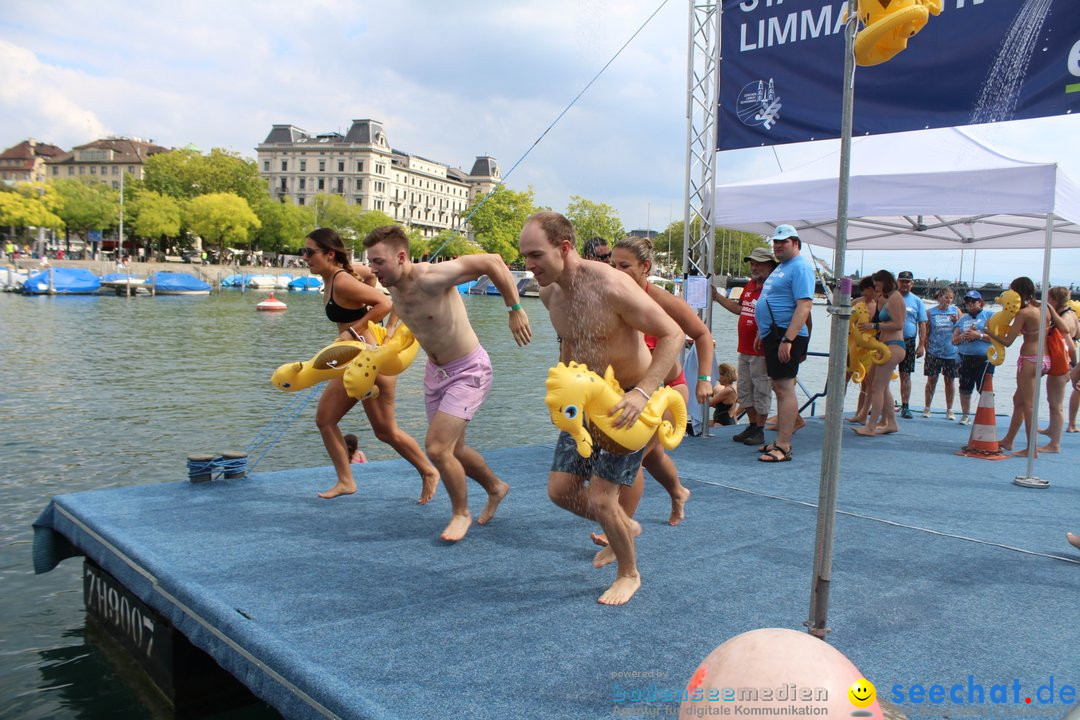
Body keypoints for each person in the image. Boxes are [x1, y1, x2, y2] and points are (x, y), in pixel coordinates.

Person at [519, 211, 681, 606]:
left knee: (602, 499)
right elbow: (570, 344)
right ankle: (624, 527)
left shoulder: (613, 285)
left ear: (565, 247)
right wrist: (563, 399)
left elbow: (672, 334)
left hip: (628, 404)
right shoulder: (549, 294)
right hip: (586, 400)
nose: (529, 265)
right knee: (560, 492)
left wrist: (642, 392)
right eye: (524, 256)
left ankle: (629, 573)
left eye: (536, 254)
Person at [363, 224, 532, 542]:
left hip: (469, 370)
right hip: (436, 374)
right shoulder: (393, 286)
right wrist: (383, 343)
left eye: (378, 262)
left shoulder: (431, 277)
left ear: (401, 257)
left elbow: (493, 261)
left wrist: (515, 309)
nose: (372, 269)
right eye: (370, 261)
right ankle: (496, 487)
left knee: (438, 448)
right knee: (455, 448)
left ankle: (460, 513)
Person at [301, 228, 439, 502]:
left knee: (385, 430)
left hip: (370, 360)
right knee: (329, 420)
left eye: (309, 252)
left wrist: (355, 329)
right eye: (302, 252)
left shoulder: (341, 282)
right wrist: (369, 285)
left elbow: (384, 302)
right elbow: (370, 276)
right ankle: (346, 480)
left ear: (330, 254)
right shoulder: (339, 276)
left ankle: (428, 471)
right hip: (353, 359)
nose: (304, 257)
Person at [607, 235, 709, 528]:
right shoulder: (611, 297)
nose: (615, 271)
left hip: (668, 391)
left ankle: (621, 528)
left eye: (624, 265)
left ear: (645, 267)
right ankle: (678, 492)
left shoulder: (663, 301)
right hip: (632, 391)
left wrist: (703, 378)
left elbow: (702, 335)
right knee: (652, 456)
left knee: (632, 455)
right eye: (612, 264)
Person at [753, 225, 813, 462]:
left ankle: (785, 445)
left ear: (796, 244)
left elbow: (804, 305)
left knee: (785, 388)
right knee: (779, 388)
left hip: (786, 335)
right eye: (776, 242)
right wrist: (763, 329)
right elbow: (771, 300)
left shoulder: (800, 267)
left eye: (784, 242)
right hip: (774, 334)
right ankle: (780, 439)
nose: (778, 246)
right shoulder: (783, 267)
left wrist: (788, 338)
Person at [713, 247, 777, 446]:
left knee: (761, 390)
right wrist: (717, 297)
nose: (754, 267)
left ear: (770, 266)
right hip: (745, 349)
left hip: (762, 352)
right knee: (745, 389)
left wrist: (765, 333)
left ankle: (760, 428)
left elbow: (781, 316)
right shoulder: (750, 285)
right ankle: (752, 425)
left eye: (758, 263)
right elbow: (740, 309)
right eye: (752, 263)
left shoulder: (774, 287)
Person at [983, 277, 1046, 457]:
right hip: (1044, 359)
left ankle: (1031, 448)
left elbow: (1008, 341)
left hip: (1029, 359)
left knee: (1028, 405)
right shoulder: (1042, 309)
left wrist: (988, 332)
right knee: (1018, 400)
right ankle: (1008, 440)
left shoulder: (1024, 313)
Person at [853, 270, 906, 437]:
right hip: (883, 346)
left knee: (877, 387)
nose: (875, 287)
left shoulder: (896, 297)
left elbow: (898, 324)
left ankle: (871, 426)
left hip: (894, 346)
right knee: (872, 382)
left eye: (877, 284)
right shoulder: (886, 297)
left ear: (885, 281)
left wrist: (874, 327)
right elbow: (866, 299)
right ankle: (891, 422)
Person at [1037, 287, 1079, 453]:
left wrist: (1074, 367)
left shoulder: (1065, 318)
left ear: (1053, 300)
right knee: (1052, 401)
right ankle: (1052, 429)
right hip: (1060, 361)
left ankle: (1055, 444)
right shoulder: (1072, 314)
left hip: (1062, 363)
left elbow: (1070, 344)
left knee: (1056, 404)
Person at [952, 290, 995, 426]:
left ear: (980, 302)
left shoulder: (989, 316)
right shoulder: (963, 319)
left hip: (984, 358)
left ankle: (986, 415)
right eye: (968, 301)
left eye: (973, 301)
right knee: (964, 387)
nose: (970, 304)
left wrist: (979, 336)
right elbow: (954, 340)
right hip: (965, 357)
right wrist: (962, 337)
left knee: (984, 388)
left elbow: (998, 338)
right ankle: (966, 415)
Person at [847, 276, 880, 424]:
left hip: (870, 348)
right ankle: (834, 410)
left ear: (873, 290)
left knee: (867, 382)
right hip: (853, 346)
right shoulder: (856, 302)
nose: (864, 294)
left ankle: (861, 413)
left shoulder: (880, 305)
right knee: (844, 378)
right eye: (863, 291)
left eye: (867, 291)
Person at [922, 286, 959, 419]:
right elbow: (926, 333)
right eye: (946, 297)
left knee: (950, 381)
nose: (948, 300)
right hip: (934, 352)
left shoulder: (955, 311)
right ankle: (927, 407)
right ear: (939, 297)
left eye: (951, 298)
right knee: (931, 380)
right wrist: (926, 349)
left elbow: (961, 329)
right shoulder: (930, 313)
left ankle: (949, 409)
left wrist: (957, 322)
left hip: (951, 352)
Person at [895, 271, 928, 419]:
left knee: (905, 374)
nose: (904, 284)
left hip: (908, 341)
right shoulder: (890, 298)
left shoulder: (917, 301)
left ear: (912, 284)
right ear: (897, 282)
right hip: (890, 341)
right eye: (902, 281)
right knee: (883, 374)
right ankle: (880, 404)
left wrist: (921, 345)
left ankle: (905, 406)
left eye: (907, 282)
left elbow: (922, 324)